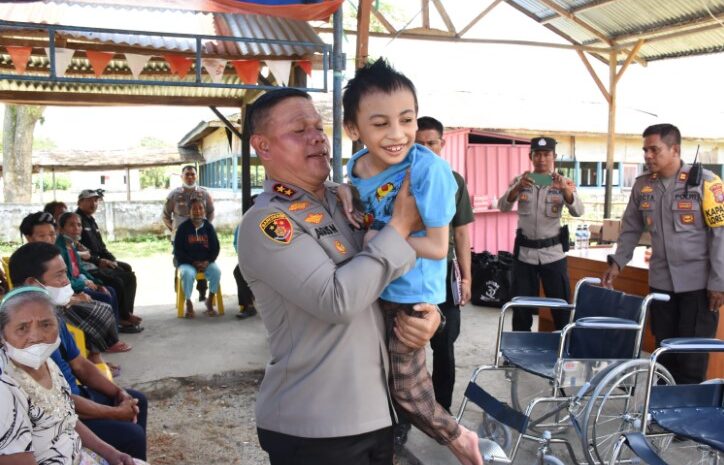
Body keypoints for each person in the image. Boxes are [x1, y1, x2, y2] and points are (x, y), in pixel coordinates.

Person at [238, 88, 445, 465]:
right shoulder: (267, 223)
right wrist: (397, 227)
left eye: (318, 127)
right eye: (299, 130)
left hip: (377, 412)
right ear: (263, 146)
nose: (317, 136)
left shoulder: (347, 198)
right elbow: (339, 300)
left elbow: (396, 275)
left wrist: (427, 315)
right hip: (316, 427)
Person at [342, 59, 481, 465]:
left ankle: (461, 439)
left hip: (412, 294)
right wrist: (343, 191)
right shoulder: (358, 166)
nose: (398, 134)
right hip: (376, 285)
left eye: (407, 119)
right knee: (376, 379)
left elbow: (439, 247)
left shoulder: (430, 172)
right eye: (381, 123)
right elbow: (360, 195)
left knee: (407, 386)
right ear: (354, 129)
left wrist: (383, 236)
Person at [603, 123, 723, 384]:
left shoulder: (707, 183)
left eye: (654, 150)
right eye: (645, 150)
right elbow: (631, 228)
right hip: (661, 283)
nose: (648, 155)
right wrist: (618, 262)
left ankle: (686, 418)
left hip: (699, 286)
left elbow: (720, 235)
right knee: (663, 351)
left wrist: (718, 282)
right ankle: (661, 414)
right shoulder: (643, 185)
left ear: (675, 149)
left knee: (692, 357)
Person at [9, 243, 147, 459]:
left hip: (71, 406)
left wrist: (118, 393)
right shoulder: (26, 344)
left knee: (138, 401)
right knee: (131, 435)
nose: (67, 281)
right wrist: (115, 413)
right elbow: (57, 403)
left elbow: (80, 365)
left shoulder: (53, 315)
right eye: (60, 275)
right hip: (59, 420)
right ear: (32, 283)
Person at [415, 116, 474, 415]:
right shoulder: (400, 180)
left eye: (431, 143)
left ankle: (442, 409)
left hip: (444, 272)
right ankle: (402, 417)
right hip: (409, 271)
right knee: (405, 345)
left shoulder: (454, 181)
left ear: (442, 144)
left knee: (444, 342)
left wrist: (467, 277)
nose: (425, 149)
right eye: (419, 144)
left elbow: (462, 232)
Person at [498, 136, 584, 331]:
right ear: (531, 156)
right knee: (521, 308)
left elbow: (578, 210)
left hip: (553, 255)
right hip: (525, 255)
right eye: (538, 154)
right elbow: (503, 206)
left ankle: (563, 354)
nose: (542, 159)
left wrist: (565, 191)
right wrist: (517, 188)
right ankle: (520, 353)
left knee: (561, 308)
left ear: (554, 156)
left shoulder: (564, 182)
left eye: (546, 155)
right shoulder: (521, 181)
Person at [17, 215, 129, 364]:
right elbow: (36, 295)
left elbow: (68, 277)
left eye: (51, 234)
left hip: (63, 300)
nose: (49, 239)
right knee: (97, 312)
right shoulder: (25, 260)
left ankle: (94, 356)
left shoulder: (54, 253)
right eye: (42, 235)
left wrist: (81, 288)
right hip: (47, 308)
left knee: (102, 306)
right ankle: (91, 359)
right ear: (29, 237)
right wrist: (74, 298)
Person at [75, 189, 141, 332]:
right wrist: (100, 261)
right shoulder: (77, 220)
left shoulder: (91, 220)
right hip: (90, 264)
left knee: (126, 269)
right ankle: (123, 317)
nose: (94, 203)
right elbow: (82, 251)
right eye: (90, 200)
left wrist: (112, 259)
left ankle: (126, 313)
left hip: (99, 259)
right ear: (80, 202)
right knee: (120, 279)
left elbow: (101, 246)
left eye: (96, 200)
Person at [56, 212, 121, 326]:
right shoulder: (60, 249)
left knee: (110, 290)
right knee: (104, 297)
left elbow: (81, 270)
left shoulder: (71, 245)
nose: (76, 228)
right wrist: (83, 283)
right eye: (71, 225)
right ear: (61, 229)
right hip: (73, 288)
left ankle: (115, 328)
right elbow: (66, 280)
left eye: (79, 225)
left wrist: (97, 283)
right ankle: (110, 336)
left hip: (80, 282)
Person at [163, 165, 215, 302]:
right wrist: (174, 230)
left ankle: (202, 291)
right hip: (181, 239)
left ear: (196, 176)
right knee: (181, 263)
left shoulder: (204, 194)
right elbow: (165, 215)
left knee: (202, 261)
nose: (190, 177)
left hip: (201, 237)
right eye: (187, 174)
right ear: (182, 176)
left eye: (193, 174)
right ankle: (181, 294)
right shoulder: (174, 195)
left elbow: (211, 211)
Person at [173, 199, 221, 318]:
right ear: (189, 212)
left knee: (216, 272)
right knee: (187, 274)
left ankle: (210, 300)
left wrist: (208, 261)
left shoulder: (208, 227)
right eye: (194, 209)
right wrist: (192, 262)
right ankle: (188, 303)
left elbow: (215, 248)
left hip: (206, 262)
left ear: (204, 211)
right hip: (187, 262)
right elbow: (178, 251)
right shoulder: (183, 228)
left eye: (200, 208)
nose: (198, 211)